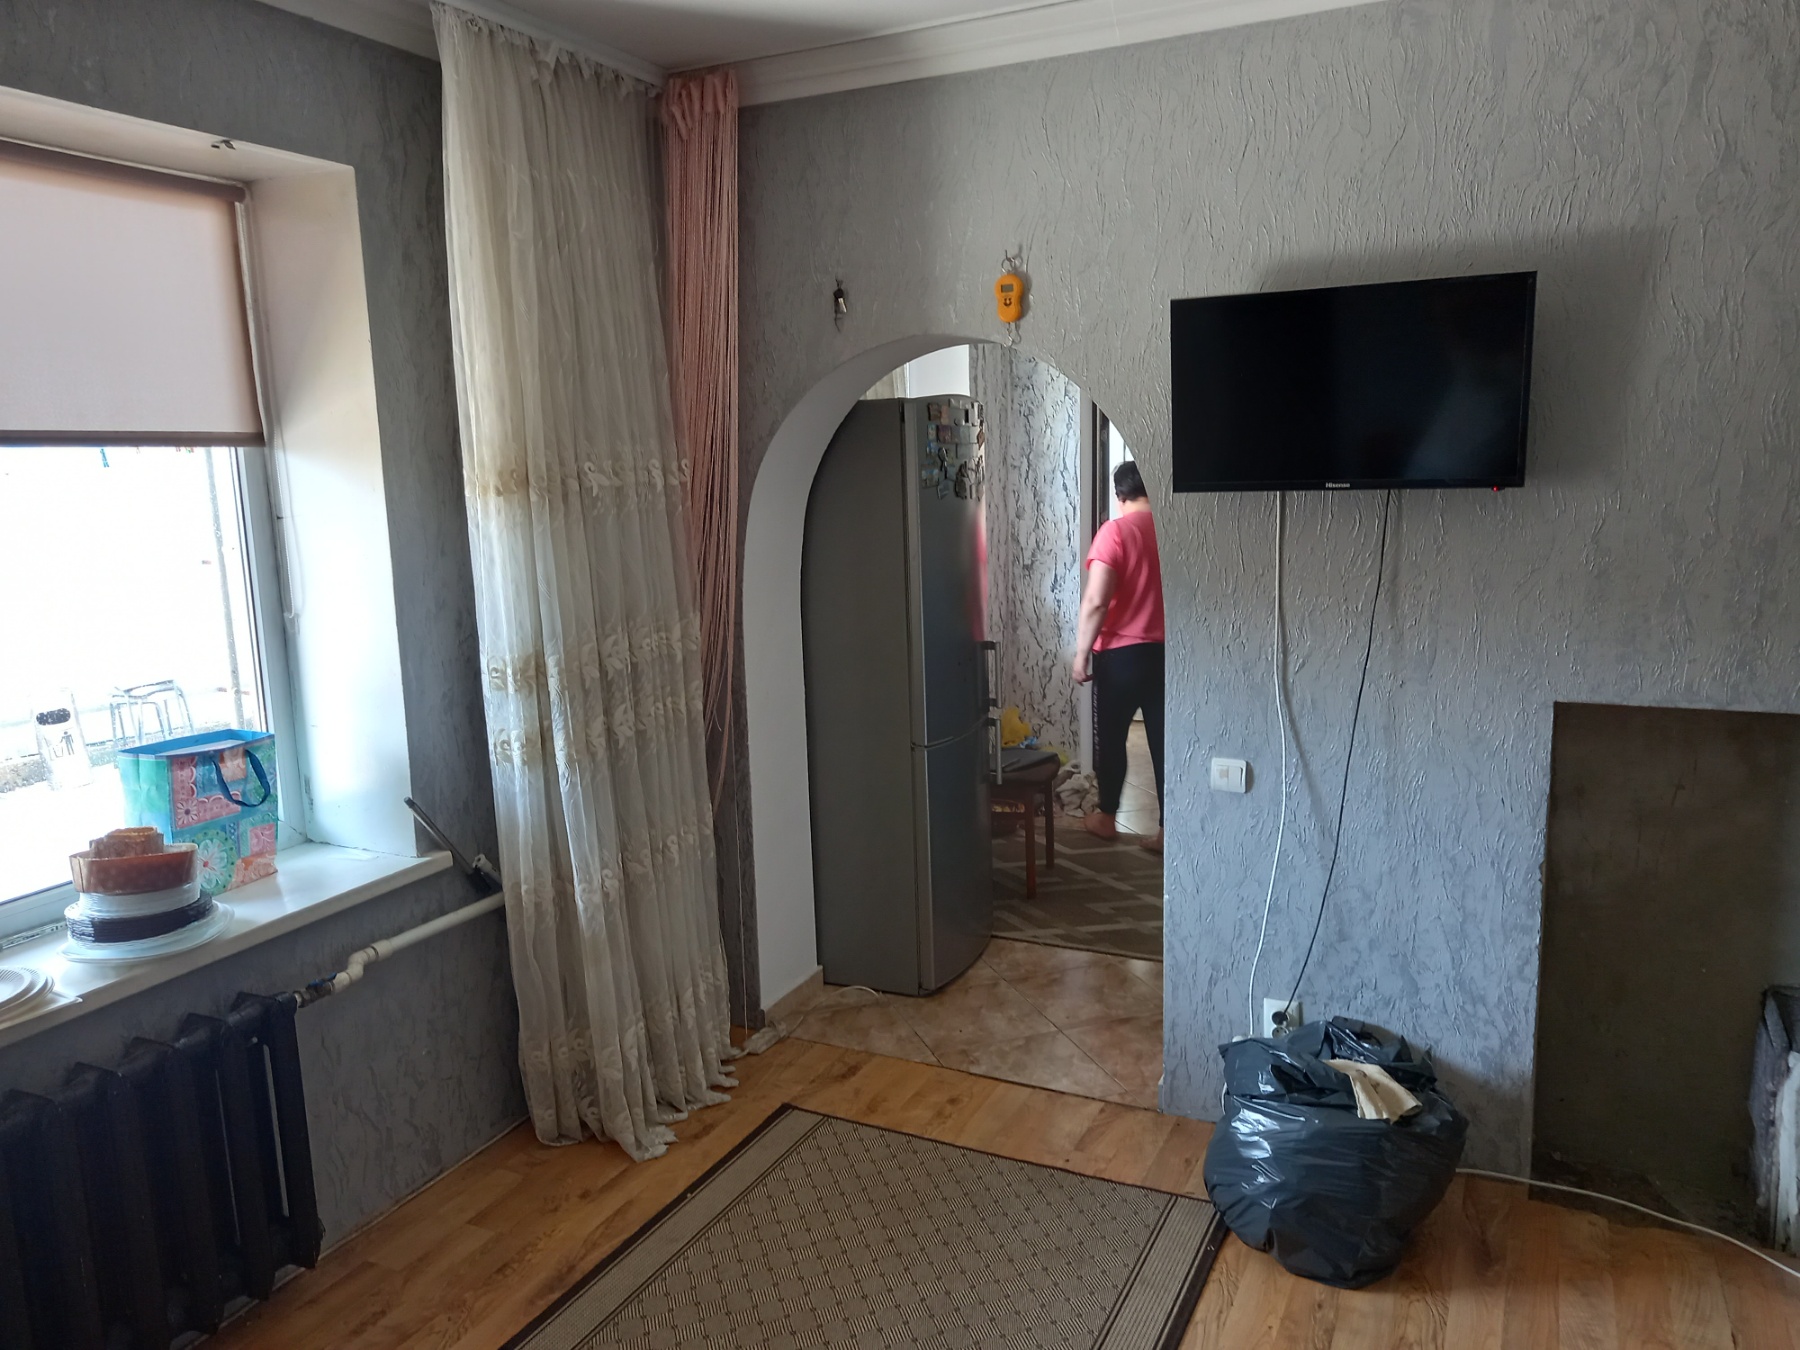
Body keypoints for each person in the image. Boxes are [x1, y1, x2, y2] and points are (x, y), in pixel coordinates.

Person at [1072, 461, 1164, 853]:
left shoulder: (1116, 532)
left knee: (1111, 739)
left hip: (1119, 658)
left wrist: (1081, 654)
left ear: (1119, 494)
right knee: (1164, 743)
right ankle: (1168, 832)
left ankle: (1107, 817)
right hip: (1166, 655)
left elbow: (1096, 601)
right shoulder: (1173, 532)